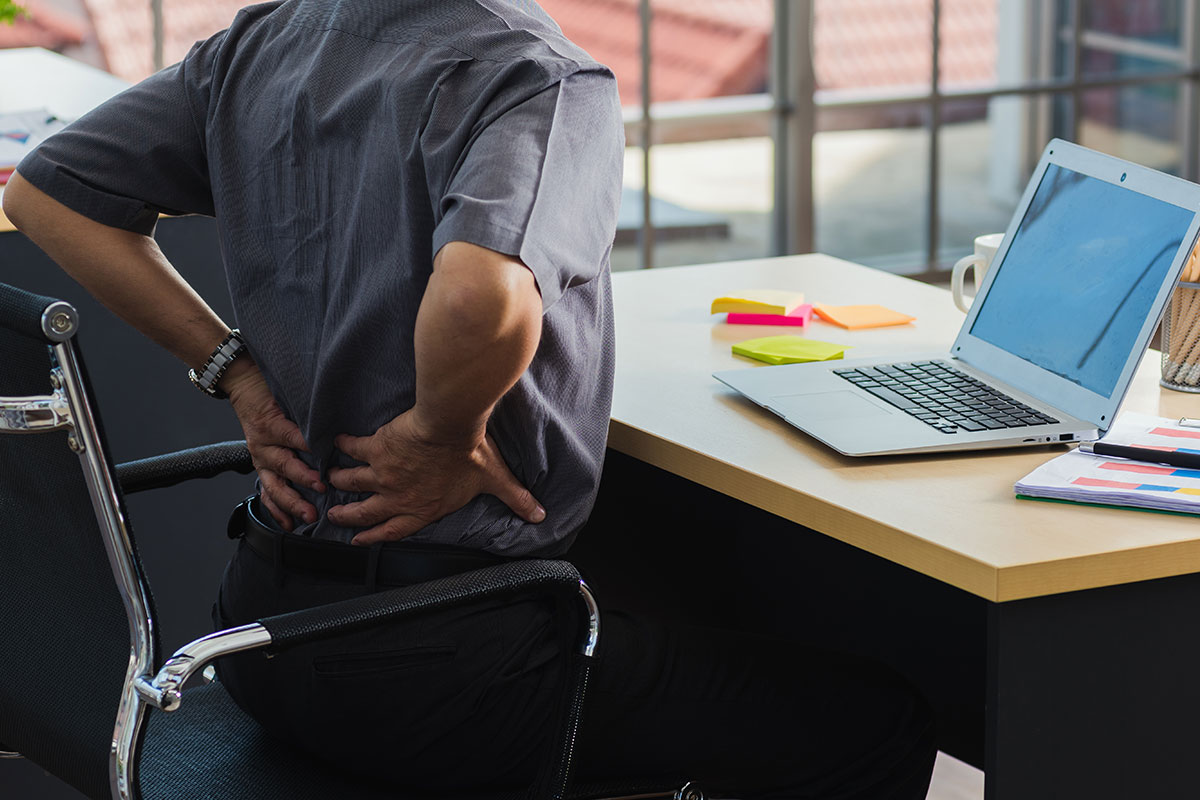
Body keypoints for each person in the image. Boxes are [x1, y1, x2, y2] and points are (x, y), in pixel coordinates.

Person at [4, 1, 937, 796]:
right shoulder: (536, 78)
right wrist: (438, 437)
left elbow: (52, 190)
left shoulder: (268, 41)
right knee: (875, 718)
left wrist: (234, 373)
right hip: (447, 668)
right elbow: (483, 293)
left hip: (263, 637)